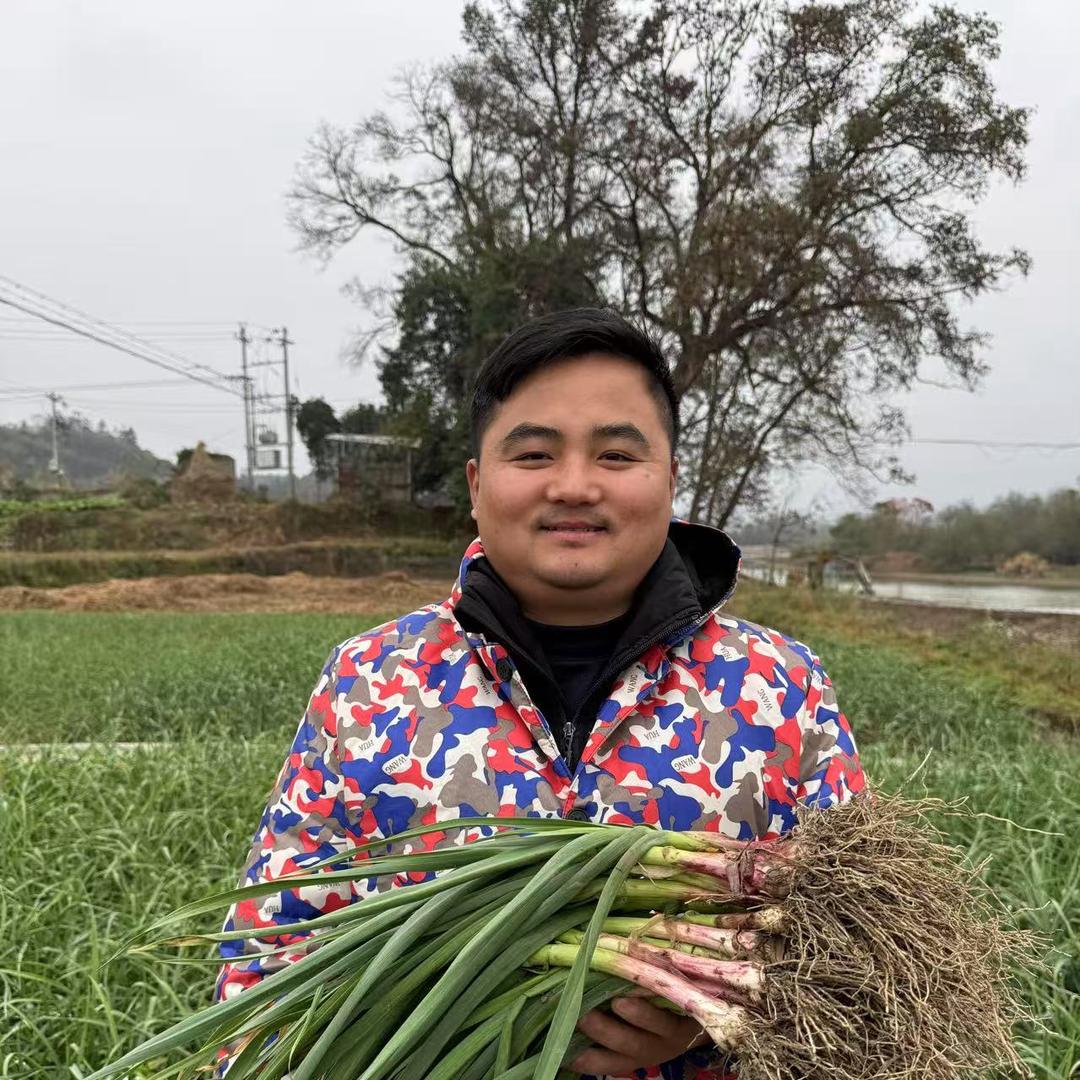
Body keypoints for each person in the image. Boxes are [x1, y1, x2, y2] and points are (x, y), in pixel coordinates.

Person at [214, 308, 865, 1079]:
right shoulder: (369, 681)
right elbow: (269, 956)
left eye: (618, 453)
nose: (575, 486)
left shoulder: (779, 685)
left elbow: (866, 964)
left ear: (671, 480)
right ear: (477, 483)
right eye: (533, 453)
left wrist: (725, 1017)